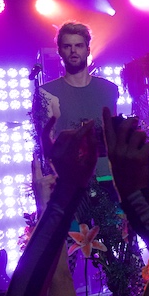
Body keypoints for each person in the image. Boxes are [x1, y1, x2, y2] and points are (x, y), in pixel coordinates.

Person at [36, 21, 119, 180]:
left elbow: (113, 136)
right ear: (59, 51)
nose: (73, 51)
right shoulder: (46, 93)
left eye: (79, 45)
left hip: (107, 178)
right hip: (70, 181)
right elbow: (45, 144)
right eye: (67, 46)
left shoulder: (109, 89)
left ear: (88, 50)